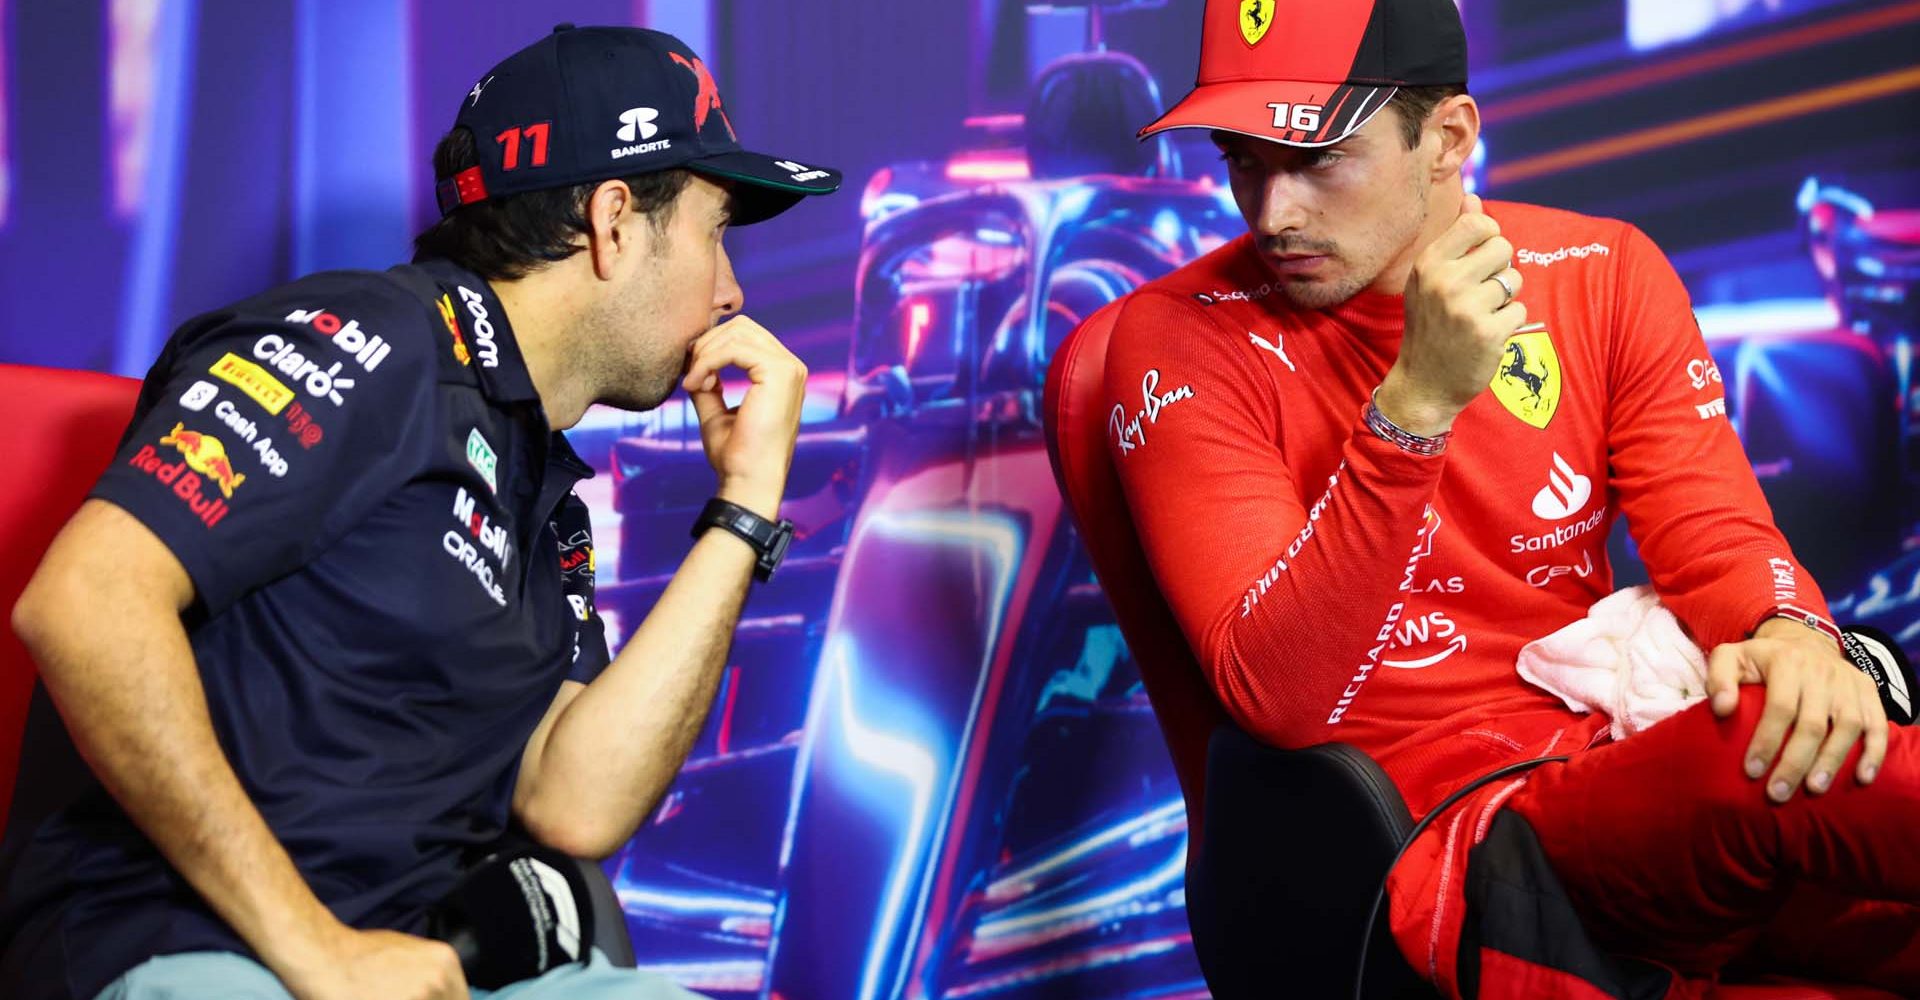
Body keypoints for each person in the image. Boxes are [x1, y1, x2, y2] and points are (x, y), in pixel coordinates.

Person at [1, 24, 839, 1000]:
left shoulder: (541, 485)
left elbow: (578, 801)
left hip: (409, 966)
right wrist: (319, 947)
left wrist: (742, 507)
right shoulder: (375, 340)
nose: (733, 290)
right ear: (615, 221)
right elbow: (83, 602)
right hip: (195, 951)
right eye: (716, 230)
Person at [1103, 0, 1919, 994]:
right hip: (1441, 844)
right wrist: (1416, 406)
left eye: (1315, 157)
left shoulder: (1603, 270)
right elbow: (1276, 695)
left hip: (1625, 766)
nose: (1273, 211)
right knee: (1759, 758)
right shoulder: (1174, 335)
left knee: (1815, 720)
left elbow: (1715, 538)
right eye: (1243, 158)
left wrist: (1791, 637)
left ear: (1446, 138)